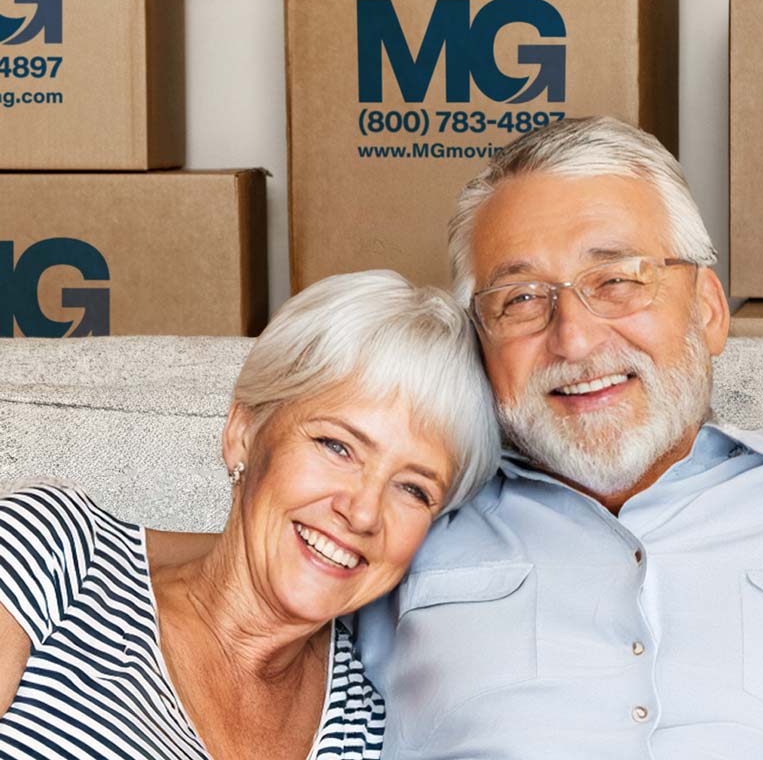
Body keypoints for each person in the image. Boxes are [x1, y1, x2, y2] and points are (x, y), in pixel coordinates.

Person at [359, 116, 763, 759]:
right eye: (521, 300)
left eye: (616, 281)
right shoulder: (407, 517)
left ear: (707, 310)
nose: (575, 339)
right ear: (478, 343)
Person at [0, 270, 499, 760]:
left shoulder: (376, 728)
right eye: (337, 446)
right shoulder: (53, 550)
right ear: (243, 430)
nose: (364, 511)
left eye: (413, 488)